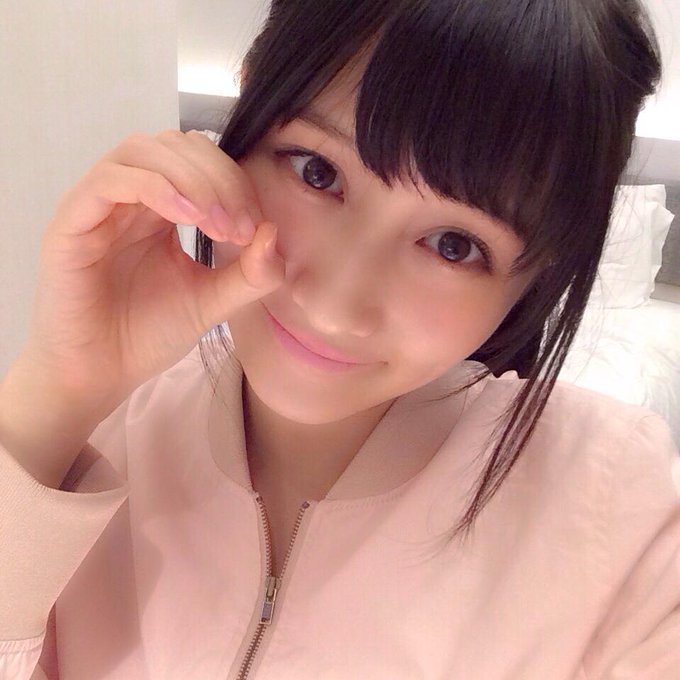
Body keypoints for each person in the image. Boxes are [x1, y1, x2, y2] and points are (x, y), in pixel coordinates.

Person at [1, 0, 679, 678]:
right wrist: (58, 392)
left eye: (453, 244)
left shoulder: (618, 516)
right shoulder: (96, 440)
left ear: (535, 279)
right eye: (316, 171)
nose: (334, 308)